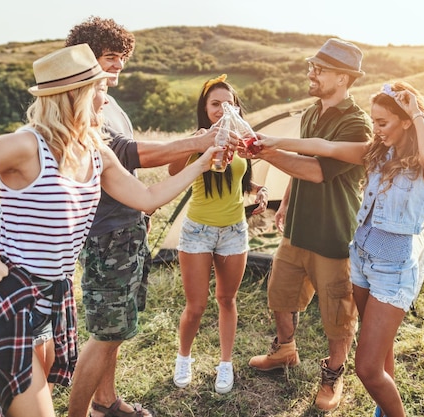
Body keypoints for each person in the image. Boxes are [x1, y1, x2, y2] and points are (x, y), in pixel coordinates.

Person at [0, 43, 218, 417]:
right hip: (9, 303)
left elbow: (148, 197)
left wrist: (202, 163)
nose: (106, 101)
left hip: (54, 301)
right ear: (76, 96)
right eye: (101, 91)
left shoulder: (96, 151)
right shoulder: (24, 146)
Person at [64, 17, 235, 417]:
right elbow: (128, 153)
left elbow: (138, 180)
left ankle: (106, 401)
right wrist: (202, 141)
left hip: (127, 225)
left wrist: (199, 155)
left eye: (123, 57)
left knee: (117, 330)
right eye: (111, 56)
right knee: (105, 333)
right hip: (105, 235)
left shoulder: (108, 99)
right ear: (86, 54)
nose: (119, 65)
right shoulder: (83, 102)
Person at [254, 81, 424, 417]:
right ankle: (382, 409)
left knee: (367, 368)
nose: (376, 130)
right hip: (361, 260)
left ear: (407, 122)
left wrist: (415, 110)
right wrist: (272, 143)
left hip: (392, 271)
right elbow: (323, 147)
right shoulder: (376, 152)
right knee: (382, 355)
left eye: (383, 123)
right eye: (373, 121)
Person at [243, 38, 373, 411]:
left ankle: (333, 375)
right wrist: (285, 203)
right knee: (280, 295)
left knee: (337, 313)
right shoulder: (310, 113)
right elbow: (300, 162)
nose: (310, 73)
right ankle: (284, 350)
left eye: (320, 69)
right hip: (298, 226)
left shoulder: (356, 124)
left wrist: (267, 150)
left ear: (344, 78)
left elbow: (317, 170)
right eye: (311, 66)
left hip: (334, 234)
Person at [168, 74, 269, 394]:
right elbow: (173, 173)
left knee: (227, 299)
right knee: (195, 306)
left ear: (237, 108)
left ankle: (225, 364)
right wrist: (194, 144)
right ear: (205, 108)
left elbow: (238, 181)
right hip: (198, 231)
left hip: (234, 232)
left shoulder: (240, 142)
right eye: (215, 103)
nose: (222, 108)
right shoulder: (198, 138)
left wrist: (258, 189)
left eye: (229, 103)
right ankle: (184, 358)